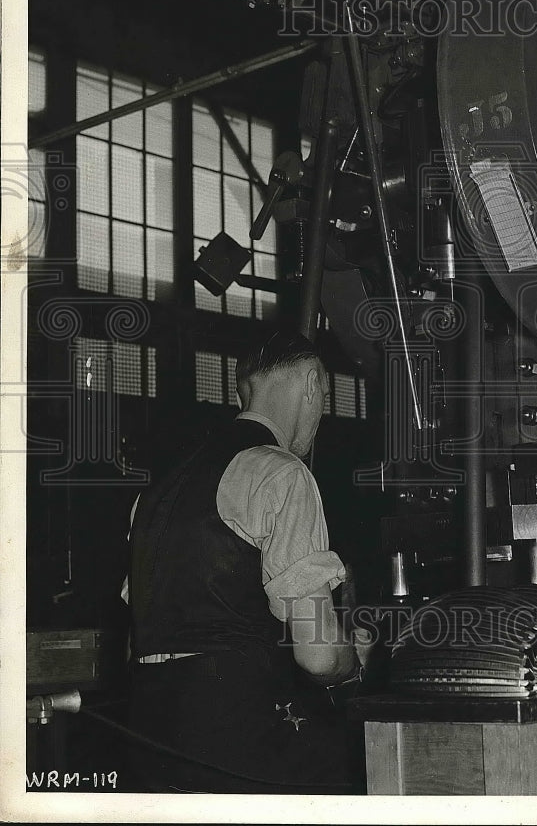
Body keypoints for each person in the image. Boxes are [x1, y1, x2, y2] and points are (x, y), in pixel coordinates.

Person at [126, 330, 369, 793]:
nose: (320, 417)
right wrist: (354, 659)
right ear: (312, 384)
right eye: (323, 400)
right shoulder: (279, 472)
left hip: (147, 737)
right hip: (232, 735)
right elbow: (318, 658)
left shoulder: (155, 491)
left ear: (245, 390)